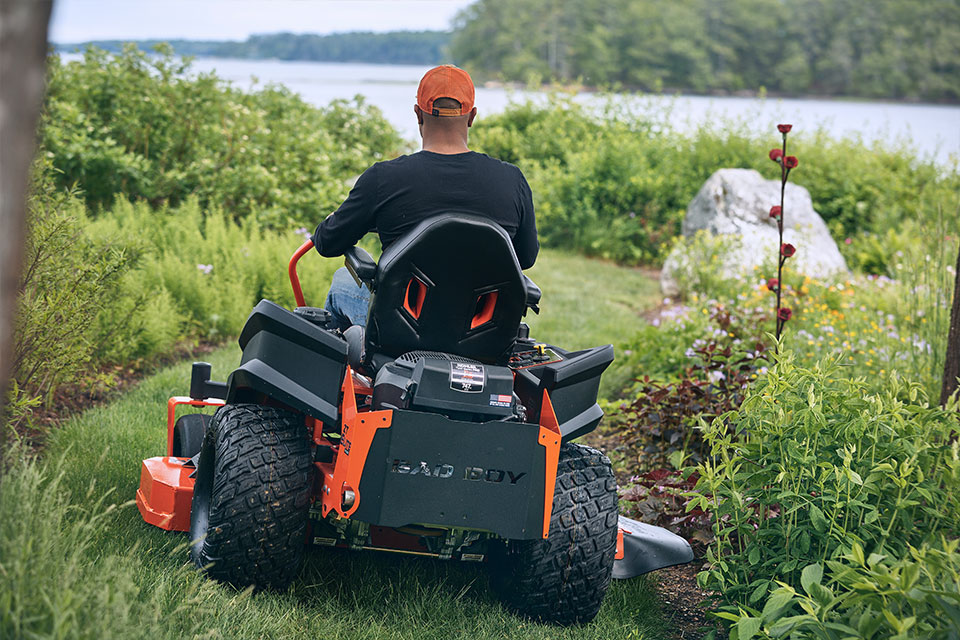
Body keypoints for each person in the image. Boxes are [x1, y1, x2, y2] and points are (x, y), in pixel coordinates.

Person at [311, 64, 538, 331]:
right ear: (472, 117)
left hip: (402, 327)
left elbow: (327, 244)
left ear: (418, 114)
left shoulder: (383, 179)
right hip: (482, 329)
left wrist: (333, 222)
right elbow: (525, 258)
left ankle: (354, 363)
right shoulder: (513, 181)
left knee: (342, 282)